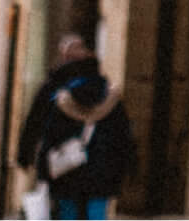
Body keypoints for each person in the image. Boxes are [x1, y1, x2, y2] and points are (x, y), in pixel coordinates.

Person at [14, 35, 133, 219]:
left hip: (65, 166)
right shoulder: (108, 92)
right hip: (101, 166)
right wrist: (126, 166)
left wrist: (28, 158)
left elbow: (38, 125)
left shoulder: (54, 90)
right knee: (97, 210)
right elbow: (123, 135)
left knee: (67, 209)